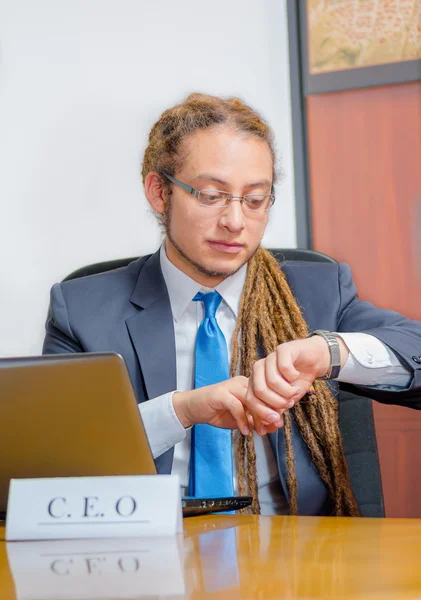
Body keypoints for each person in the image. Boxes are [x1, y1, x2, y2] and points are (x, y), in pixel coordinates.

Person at [43, 93, 421, 517]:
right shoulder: (82, 310)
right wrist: (181, 411)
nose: (235, 222)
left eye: (255, 199)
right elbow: (57, 462)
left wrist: (327, 352)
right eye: (210, 196)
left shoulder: (317, 291)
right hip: (149, 559)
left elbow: (415, 352)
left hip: (298, 560)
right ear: (158, 192)